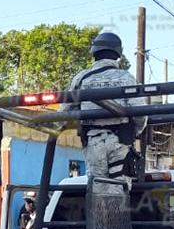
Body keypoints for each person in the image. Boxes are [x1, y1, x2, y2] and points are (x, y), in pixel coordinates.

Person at [61, 32, 147, 189]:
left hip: (93, 141)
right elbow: (140, 113)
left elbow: (65, 110)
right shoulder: (126, 77)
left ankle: (97, 214)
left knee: (97, 190)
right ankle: (117, 214)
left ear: (94, 52)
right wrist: (136, 131)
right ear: (118, 53)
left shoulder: (81, 78)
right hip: (120, 141)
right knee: (119, 190)